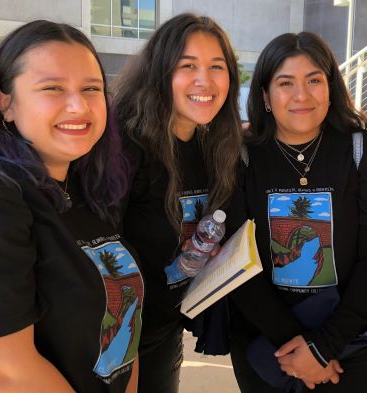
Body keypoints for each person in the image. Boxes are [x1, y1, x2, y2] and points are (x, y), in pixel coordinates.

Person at [0, 20, 142, 393]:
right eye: (52, 88)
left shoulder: (87, 186)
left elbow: (122, 338)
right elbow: (7, 374)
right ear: (5, 101)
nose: (79, 105)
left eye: (92, 88)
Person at [228, 31, 367, 393]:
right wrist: (299, 349)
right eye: (285, 83)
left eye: (314, 80)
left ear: (331, 87)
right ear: (265, 96)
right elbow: (236, 264)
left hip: (353, 344)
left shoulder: (362, 150)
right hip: (268, 343)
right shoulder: (241, 157)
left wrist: (324, 347)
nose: (302, 95)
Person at [113, 13, 243, 393]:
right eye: (188, 66)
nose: (204, 80)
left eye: (216, 67)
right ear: (160, 72)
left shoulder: (212, 147)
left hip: (166, 328)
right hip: (117, 338)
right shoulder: (124, 145)